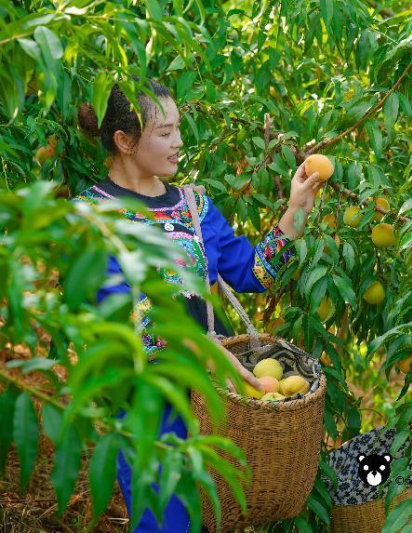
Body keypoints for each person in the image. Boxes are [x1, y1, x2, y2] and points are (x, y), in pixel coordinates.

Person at [75, 78, 322, 532]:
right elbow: (116, 315)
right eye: (164, 132)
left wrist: (296, 210)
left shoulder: (194, 206)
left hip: (217, 404)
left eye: (178, 129)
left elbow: (254, 273)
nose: (179, 143)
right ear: (124, 141)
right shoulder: (91, 216)